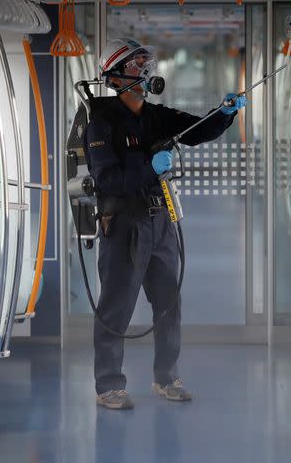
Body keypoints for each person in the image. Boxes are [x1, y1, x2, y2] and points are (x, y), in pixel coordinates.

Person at [84, 38, 247, 410]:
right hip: (123, 224)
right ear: (115, 75)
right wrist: (148, 169)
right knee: (116, 306)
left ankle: (166, 378)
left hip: (161, 221)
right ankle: (109, 384)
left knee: (168, 302)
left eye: (147, 61)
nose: (146, 69)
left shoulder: (155, 116)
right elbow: (107, 179)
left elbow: (197, 130)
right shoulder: (102, 122)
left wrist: (224, 113)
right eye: (136, 63)